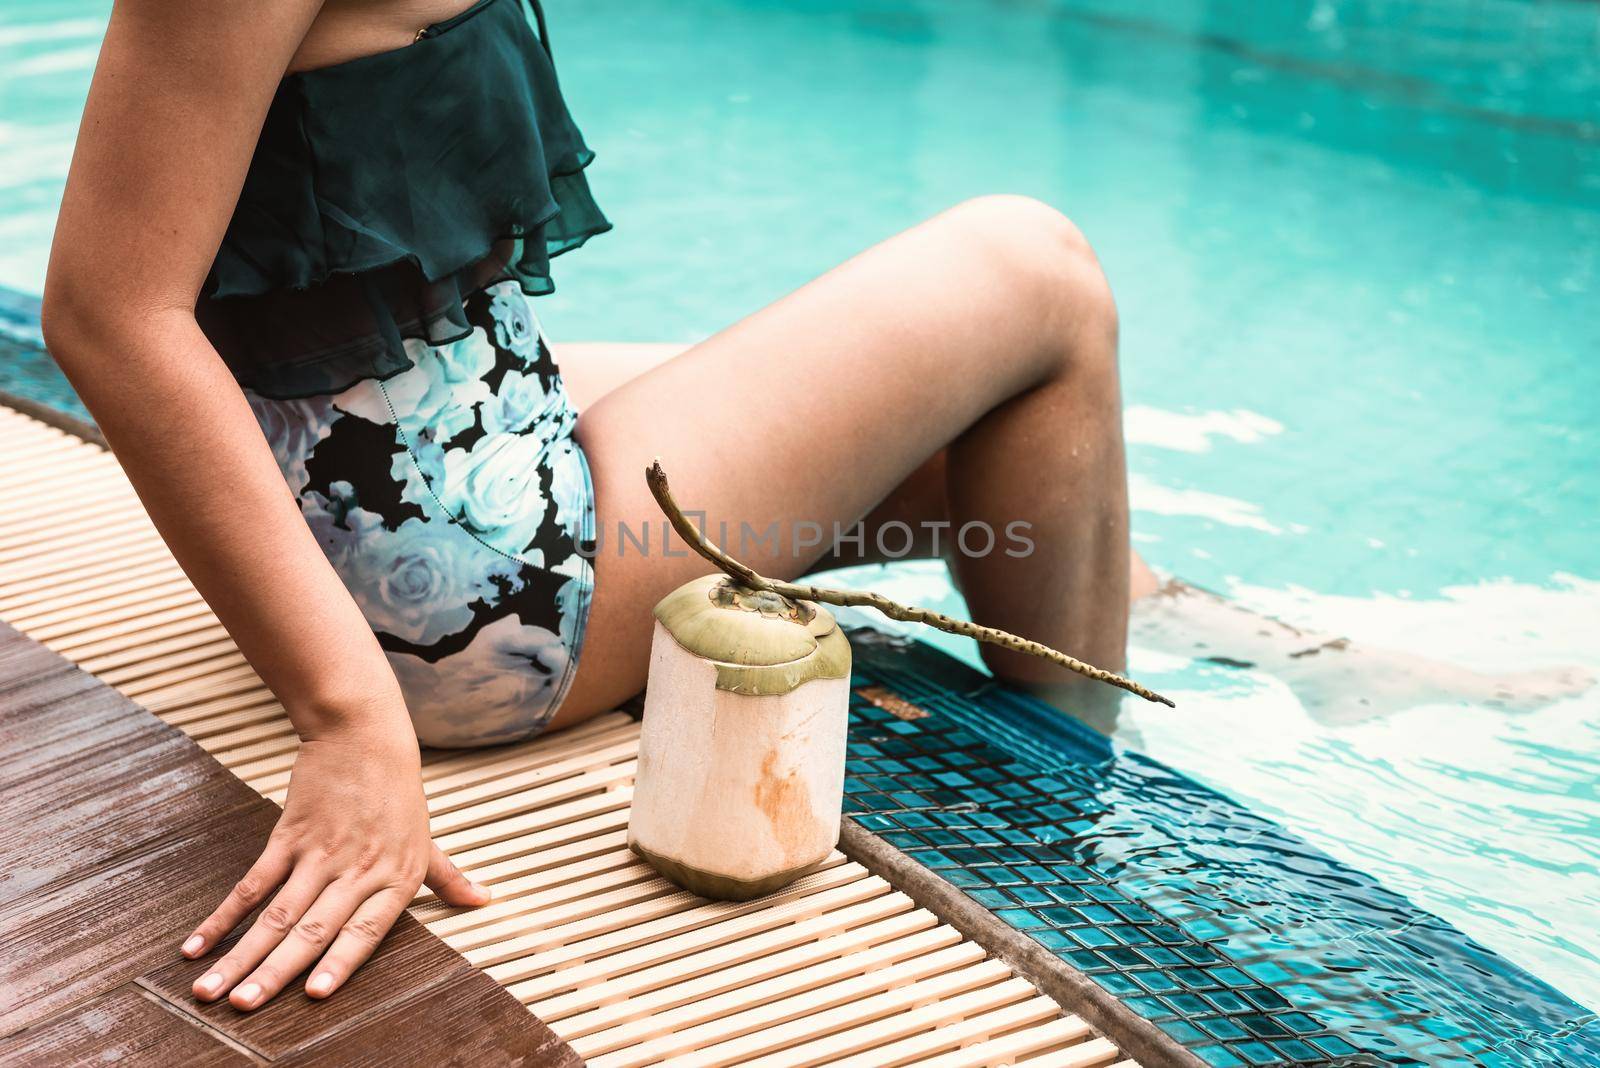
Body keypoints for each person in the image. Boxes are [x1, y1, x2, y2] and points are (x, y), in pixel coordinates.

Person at [40, 0, 1590, 1015]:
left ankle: (1287, 658)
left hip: (425, 466)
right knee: (1036, 274)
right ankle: (1087, 820)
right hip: (457, 596)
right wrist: (345, 722)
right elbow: (109, 312)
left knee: (998, 445)